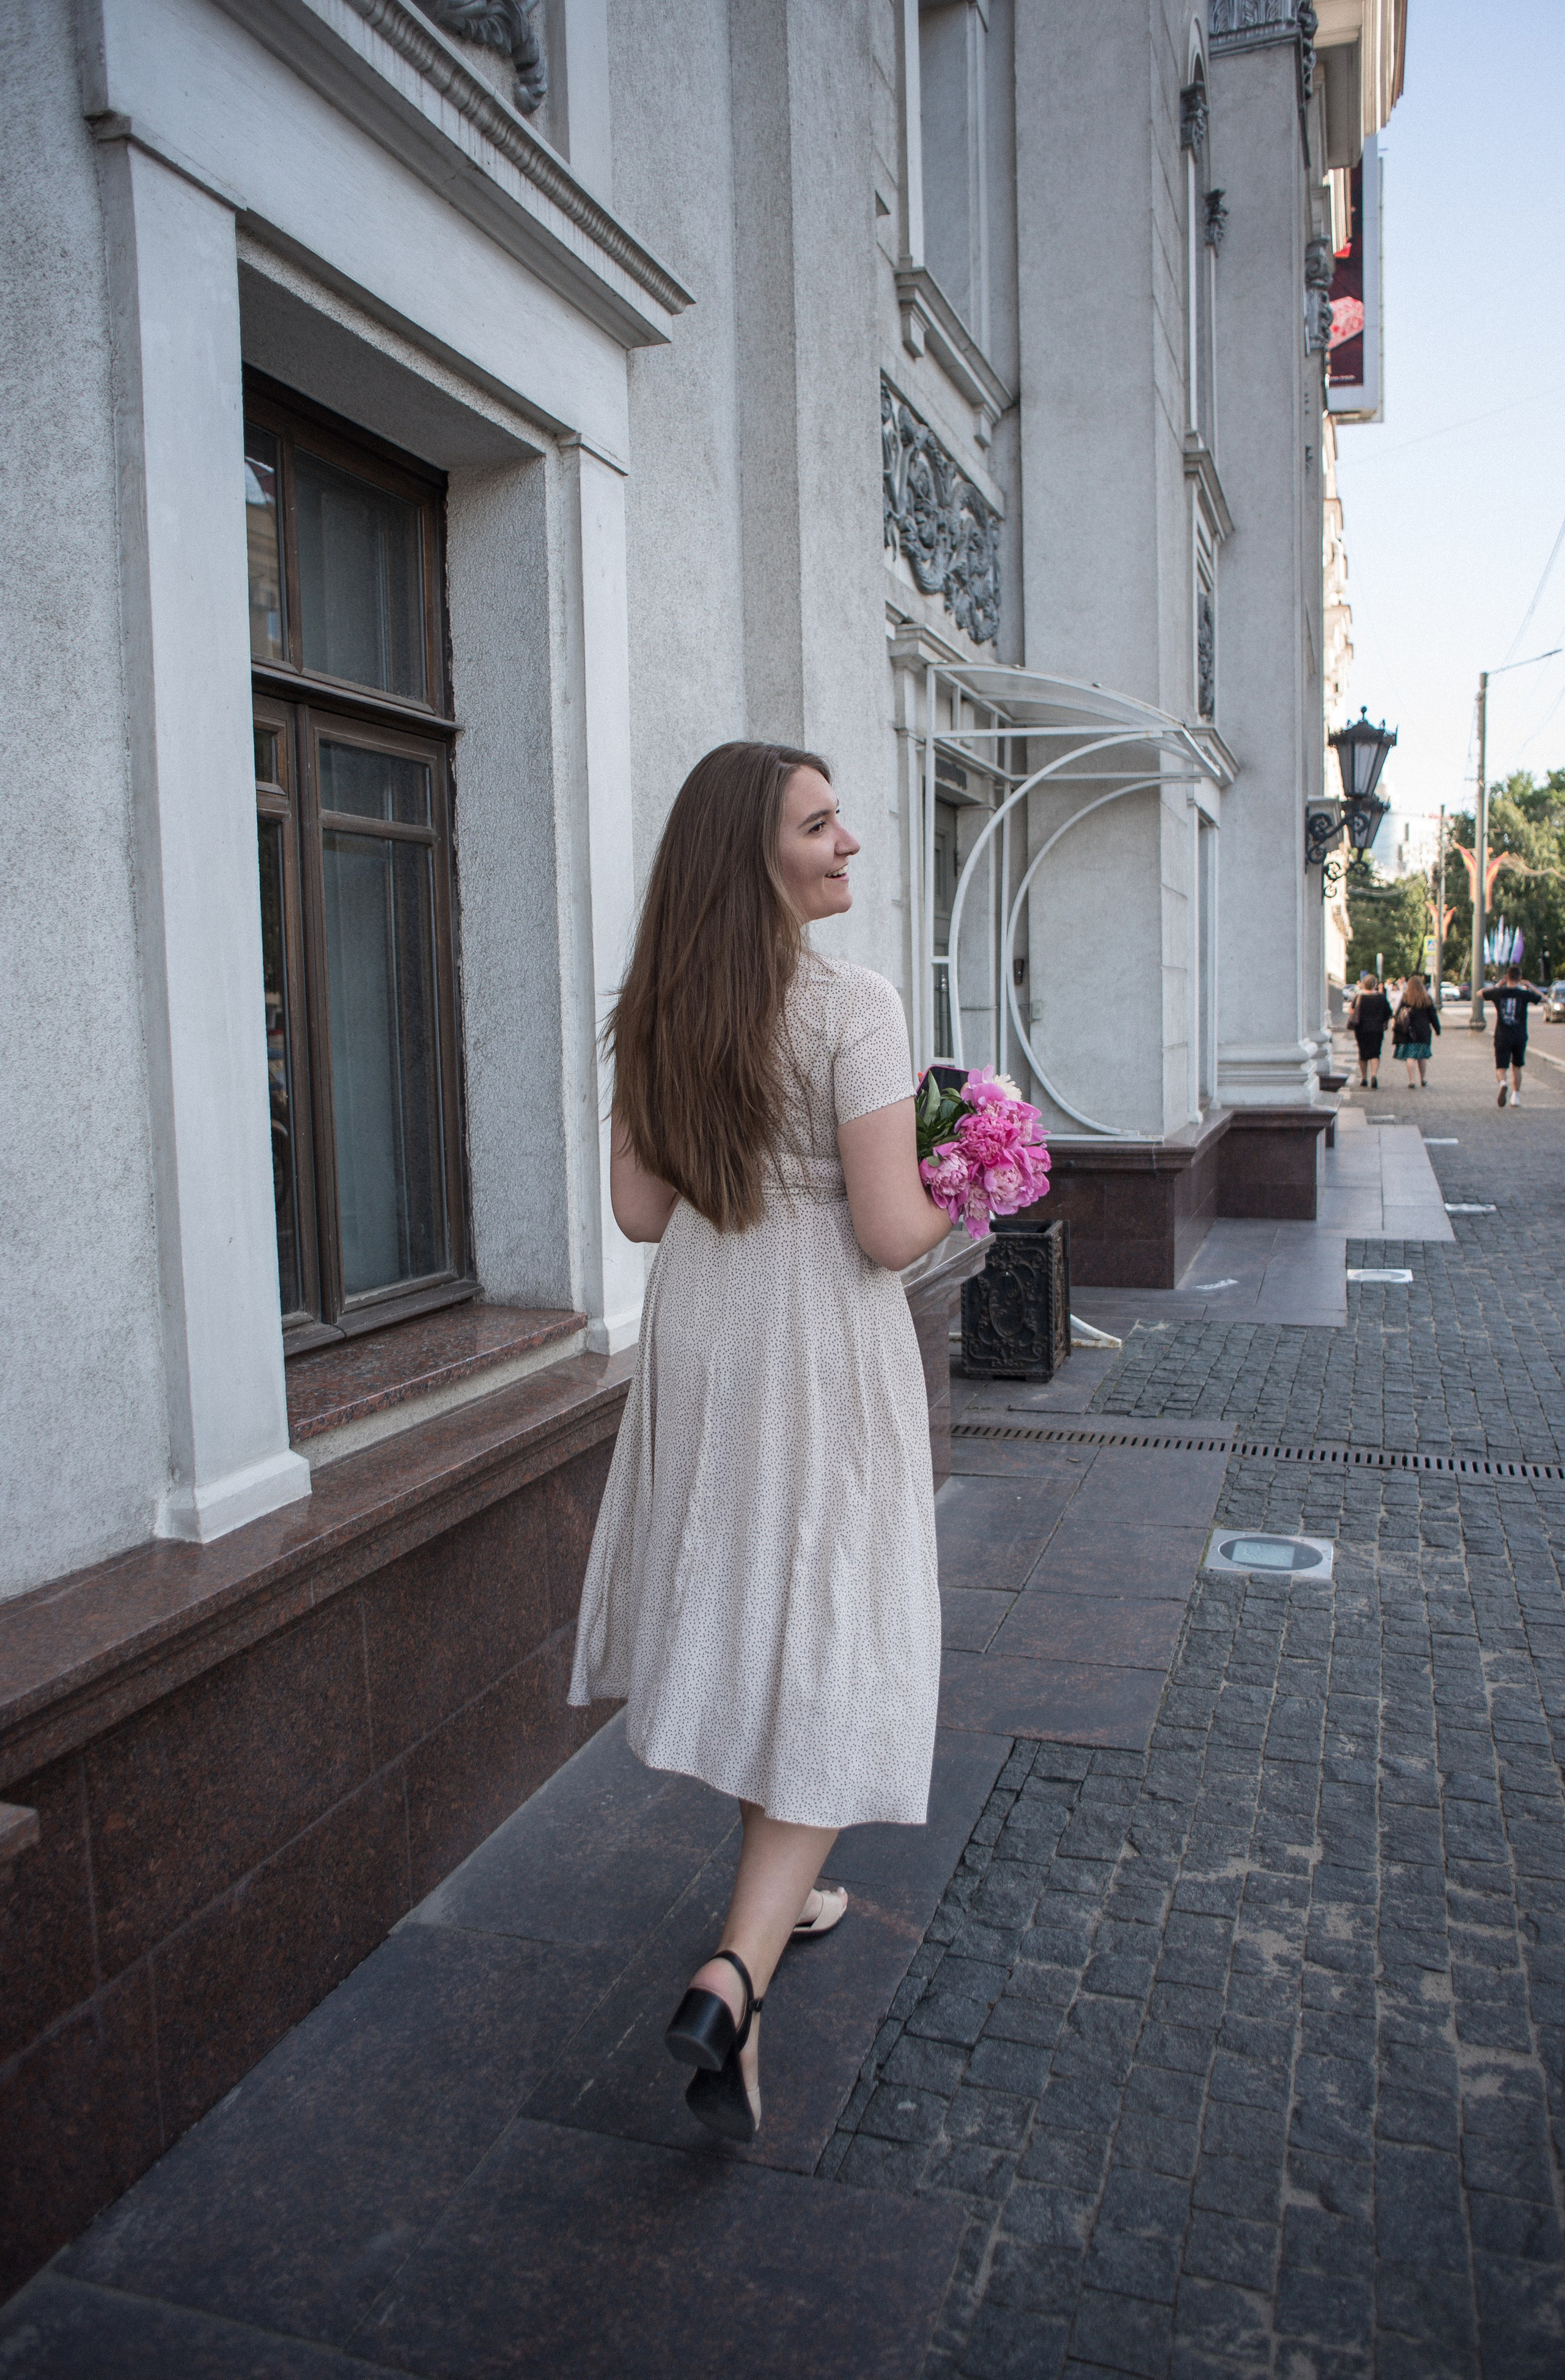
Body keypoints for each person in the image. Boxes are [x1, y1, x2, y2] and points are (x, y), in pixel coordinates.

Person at [569, 741, 951, 2145]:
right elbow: (884, 1229)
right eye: (817, 823)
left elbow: (639, 1217)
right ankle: (735, 1970)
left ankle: (796, 1892)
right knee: (834, 1622)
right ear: (753, 857)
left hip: (703, 1336)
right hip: (813, 1343)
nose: (847, 842)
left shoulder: (653, 1013)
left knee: (756, 1607)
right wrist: (968, 1180)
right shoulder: (852, 1004)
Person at [1491, 963, 1543, 1105]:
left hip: (1502, 1036)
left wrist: (1498, 985)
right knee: (1517, 1066)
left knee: (1501, 1067)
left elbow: (1480, 993)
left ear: (1507, 977)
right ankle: (1516, 1097)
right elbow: (1543, 998)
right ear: (1520, 978)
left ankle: (1502, 1083)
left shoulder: (1499, 993)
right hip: (1519, 1036)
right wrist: (1530, 986)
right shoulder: (1524, 994)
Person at [1393, 974, 1440, 1087]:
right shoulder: (1427, 998)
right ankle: (1423, 1079)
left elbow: (1399, 1014)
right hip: (1424, 1031)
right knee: (1422, 1056)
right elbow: (1433, 1016)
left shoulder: (1406, 998)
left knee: (1411, 1056)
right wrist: (1437, 1029)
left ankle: (1412, 1080)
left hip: (1409, 1031)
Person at [1348, 972, 1392, 1087]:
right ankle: (1374, 1075)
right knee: (1375, 1053)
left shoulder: (1359, 996)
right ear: (1375, 985)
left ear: (1364, 984)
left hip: (1361, 1029)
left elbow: (1351, 1011)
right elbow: (1389, 1013)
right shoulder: (1381, 997)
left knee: (1363, 1054)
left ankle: (1364, 1078)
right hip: (1377, 1029)